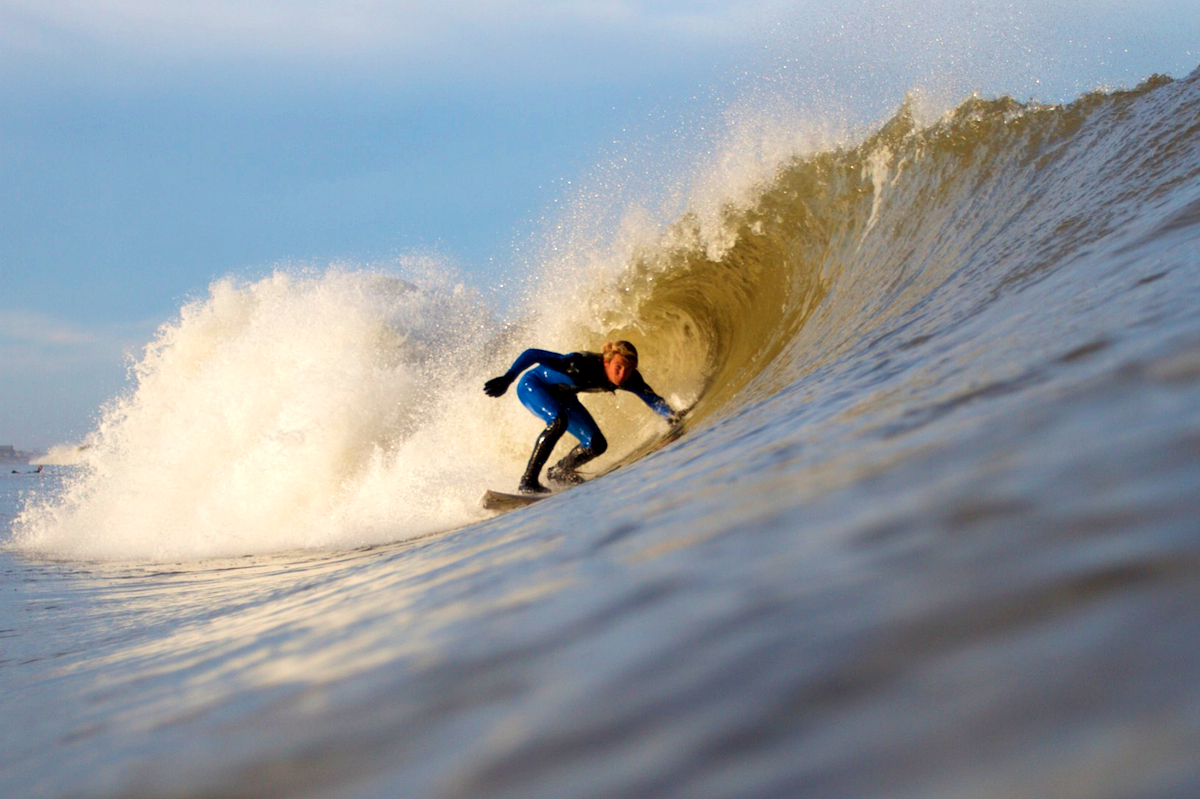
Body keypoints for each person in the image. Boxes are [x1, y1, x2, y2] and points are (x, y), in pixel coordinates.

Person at [484, 340, 683, 494]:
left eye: (629, 369)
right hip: (534, 385)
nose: (623, 374)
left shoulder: (629, 379)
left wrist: (672, 418)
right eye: (619, 367)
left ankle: (559, 473)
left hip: (564, 395)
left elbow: (652, 399)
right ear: (606, 361)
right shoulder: (579, 365)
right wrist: (508, 378)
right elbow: (533, 354)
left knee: (596, 444)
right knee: (558, 420)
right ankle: (528, 482)